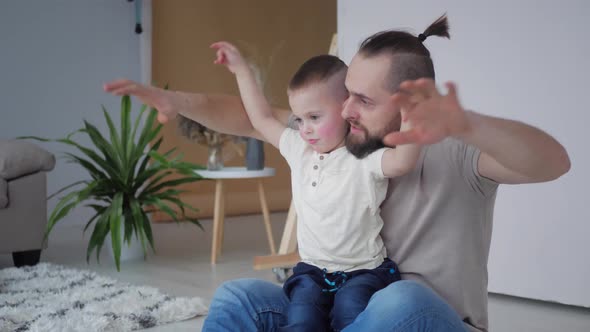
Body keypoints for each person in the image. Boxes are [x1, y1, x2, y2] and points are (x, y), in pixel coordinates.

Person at [103, 15, 570, 332]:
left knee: (399, 301)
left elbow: (552, 163)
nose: (346, 108)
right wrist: (175, 101)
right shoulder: (339, 138)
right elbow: (252, 117)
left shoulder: (455, 149)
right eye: (346, 93)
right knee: (237, 297)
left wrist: (469, 123)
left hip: (425, 319)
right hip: (340, 308)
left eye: (363, 100)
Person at [209, 40, 422, 331]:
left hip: (362, 273)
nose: (304, 128)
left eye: (314, 117)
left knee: (351, 316)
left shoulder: (362, 156)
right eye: (299, 119)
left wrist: (411, 113)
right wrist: (241, 70)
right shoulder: (298, 149)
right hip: (312, 273)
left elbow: (402, 163)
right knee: (301, 321)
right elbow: (261, 118)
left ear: (347, 110)